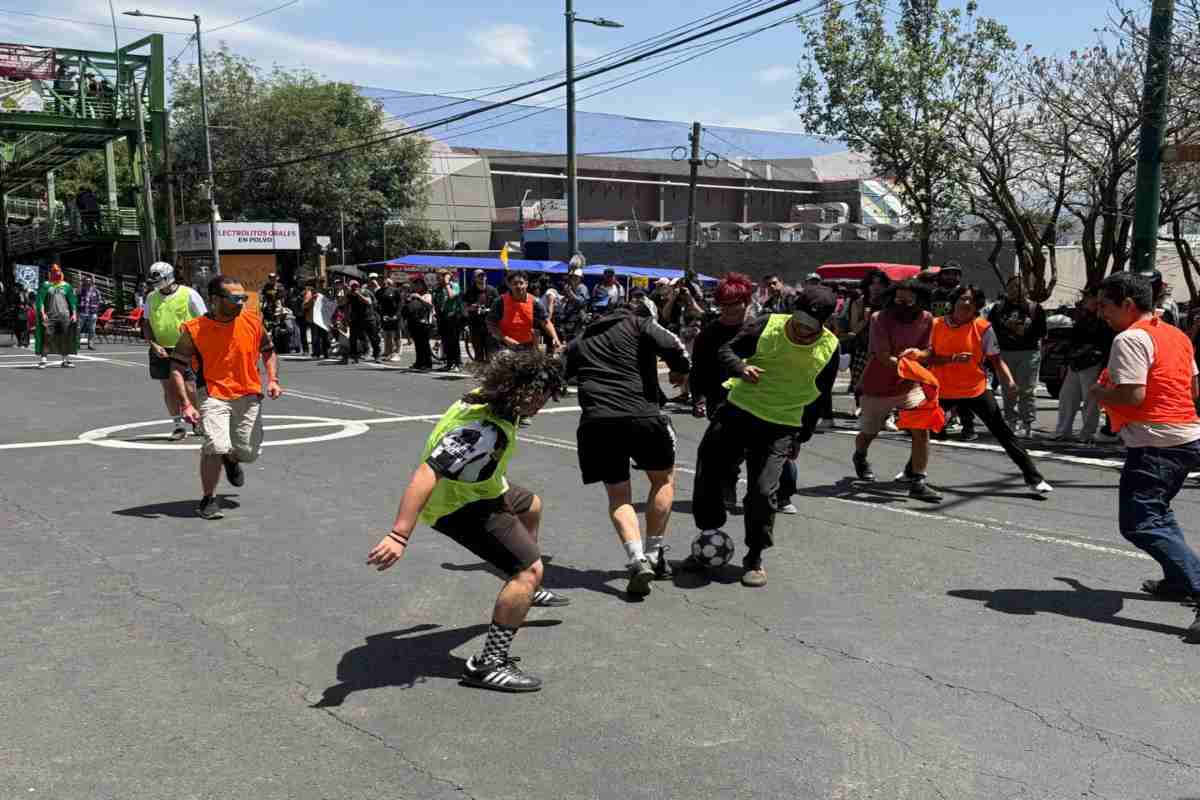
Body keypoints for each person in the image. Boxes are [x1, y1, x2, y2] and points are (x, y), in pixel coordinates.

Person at [365, 349, 570, 691]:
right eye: (541, 396)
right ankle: (488, 664)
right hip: (458, 505)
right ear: (519, 391)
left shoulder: (489, 398)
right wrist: (399, 535)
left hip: (486, 489)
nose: (543, 404)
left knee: (532, 505)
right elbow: (427, 474)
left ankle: (522, 589)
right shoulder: (482, 430)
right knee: (529, 571)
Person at [689, 287, 841, 587]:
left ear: (822, 325)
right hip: (738, 411)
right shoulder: (767, 324)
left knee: (762, 491)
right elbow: (726, 350)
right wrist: (741, 367)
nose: (800, 329)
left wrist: (801, 436)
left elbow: (819, 397)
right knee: (709, 468)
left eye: (809, 327)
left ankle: (755, 556)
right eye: (797, 321)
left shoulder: (830, 348)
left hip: (780, 425)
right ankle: (709, 532)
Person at [1089, 272, 1200, 642]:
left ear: (1128, 305)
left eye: (1105, 304)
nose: (1099, 311)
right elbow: (1193, 387)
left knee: (1141, 522)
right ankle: (1176, 580)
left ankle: (1196, 585)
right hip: (1184, 438)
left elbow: (1132, 396)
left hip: (1156, 444)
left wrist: (1099, 392)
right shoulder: (1175, 334)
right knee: (1158, 513)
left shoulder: (1131, 338)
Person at [564, 286, 691, 597]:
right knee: (663, 480)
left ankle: (636, 558)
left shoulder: (581, 340)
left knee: (619, 496)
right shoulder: (639, 323)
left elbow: (558, 375)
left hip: (597, 422)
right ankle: (654, 553)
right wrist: (680, 372)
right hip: (643, 416)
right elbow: (676, 347)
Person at [173, 276, 282, 521]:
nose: (241, 303)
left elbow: (269, 351)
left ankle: (232, 459)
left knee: (249, 452)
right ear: (214, 300)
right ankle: (208, 499)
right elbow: (177, 367)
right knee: (215, 446)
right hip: (212, 394)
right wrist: (186, 403)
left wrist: (273, 379)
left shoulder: (253, 322)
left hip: (248, 393)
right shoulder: (194, 329)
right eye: (234, 299)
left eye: (243, 298)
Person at [925, 285, 1053, 495]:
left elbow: (996, 360)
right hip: (943, 390)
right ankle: (912, 471)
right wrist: (950, 359)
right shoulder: (936, 325)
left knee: (1004, 434)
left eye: (972, 300)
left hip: (975, 389)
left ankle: (1034, 478)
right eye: (963, 299)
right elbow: (927, 357)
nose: (967, 303)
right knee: (926, 432)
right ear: (954, 301)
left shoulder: (983, 327)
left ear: (977, 305)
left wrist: (1009, 382)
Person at [852, 279, 942, 502]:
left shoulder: (928, 319)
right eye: (898, 300)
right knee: (869, 432)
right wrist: (911, 367)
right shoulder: (878, 318)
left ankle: (918, 480)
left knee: (921, 430)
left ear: (919, 300)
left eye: (909, 301)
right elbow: (882, 356)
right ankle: (860, 456)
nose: (903, 305)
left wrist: (918, 355)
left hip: (910, 386)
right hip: (877, 386)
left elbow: (928, 351)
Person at [142, 261, 207, 441]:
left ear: (169, 277)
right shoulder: (151, 297)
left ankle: (197, 420)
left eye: (158, 279)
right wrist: (153, 344)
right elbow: (146, 323)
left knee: (190, 388)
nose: (155, 284)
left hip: (186, 348)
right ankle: (178, 425)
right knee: (169, 389)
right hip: (160, 349)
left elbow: (204, 320)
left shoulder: (189, 294)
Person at [988, 276, 1047, 438]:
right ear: (1007, 289)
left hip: (1029, 353)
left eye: (1020, 287)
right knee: (1008, 389)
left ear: (1027, 289)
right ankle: (1011, 421)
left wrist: (1023, 330)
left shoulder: (1034, 308)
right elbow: (990, 330)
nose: (1016, 290)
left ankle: (1027, 423)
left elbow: (1041, 332)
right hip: (1005, 353)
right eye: (1012, 287)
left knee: (1027, 390)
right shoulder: (998, 308)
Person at [1054, 287, 1114, 443]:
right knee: (1067, 397)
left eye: (1088, 297)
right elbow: (1073, 339)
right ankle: (1063, 431)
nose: (1084, 300)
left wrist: (1104, 367)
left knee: (1091, 401)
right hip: (1076, 362)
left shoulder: (1105, 318)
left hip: (1093, 362)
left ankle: (1087, 434)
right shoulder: (1082, 315)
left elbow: (1106, 343)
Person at [844, 269, 892, 416]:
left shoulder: (889, 302)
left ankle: (886, 414)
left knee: (884, 382)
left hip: (884, 348)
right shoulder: (859, 302)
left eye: (880, 284)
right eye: (873, 284)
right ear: (867, 285)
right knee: (861, 380)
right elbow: (854, 328)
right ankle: (860, 405)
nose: (876, 287)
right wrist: (866, 319)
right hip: (864, 347)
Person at [487, 271, 561, 353]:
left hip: (527, 346)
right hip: (504, 346)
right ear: (509, 285)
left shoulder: (535, 302)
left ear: (526, 284)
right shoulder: (500, 302)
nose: (518, 286)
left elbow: (546, 322)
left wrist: (555, 338)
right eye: (515, 283)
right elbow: (491, 324)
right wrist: (505, 338)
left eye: (521, 283)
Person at [34, 264, 78, 369]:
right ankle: (43, 360)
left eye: (57, 271)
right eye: (54, 271)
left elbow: (72, 301)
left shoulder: (66, 286)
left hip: (64, 316)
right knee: (47, 337)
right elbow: (40, 301)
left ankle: (65, 360)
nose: (56, 273)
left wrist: (74, 314)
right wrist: (43, 313)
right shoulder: (46, 285)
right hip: (50, 316)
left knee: (64, 338)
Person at [464, 269, 499, 363]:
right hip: (475, 325)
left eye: (483, 276)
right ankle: (479, 373)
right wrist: (471, 308)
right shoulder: (470, 291)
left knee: (491, 352)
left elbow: (498, 308)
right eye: (479, 276)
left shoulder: (492, 290)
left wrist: (488, 310)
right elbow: (465, 308)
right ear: (475, 278)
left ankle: (490, 374)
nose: (482, 278)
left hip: (490, 326)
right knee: (478, 351)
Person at [403, 275, 436, 370]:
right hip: (414, 322)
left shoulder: (427, 294)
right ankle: (419, 362)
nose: (417, 286)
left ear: (423, 285)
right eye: (416, 284)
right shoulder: (413, 294)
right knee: (418, 344)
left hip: (425, 323)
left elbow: (430, 306)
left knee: (424, 344)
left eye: (419, 284)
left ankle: (427, 363)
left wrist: (419, 298)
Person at [434, 270, 465, 370]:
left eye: (439, 277)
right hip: (442, 317)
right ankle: (449, 363)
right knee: (445, 341)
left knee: (454, 341)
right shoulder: (438, 288)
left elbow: (451, 296)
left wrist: (447, 283)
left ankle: (458, 363)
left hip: (453, 316)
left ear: (446, 277)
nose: (437, 279)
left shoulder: (454, 285)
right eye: (437, 277)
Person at [345, 280, 382, 364]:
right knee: (353, 338)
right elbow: (346, 306)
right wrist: (346, 318)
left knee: (373, 338)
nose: (354, 287)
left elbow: (368, 302)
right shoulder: (349, 294)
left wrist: (358, 294)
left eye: (356, 285)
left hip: (368, 318)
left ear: (359, 285)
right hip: (355, 319)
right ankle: (354, 356)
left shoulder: (365, 292)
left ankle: (377, 356)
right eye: (352, 286)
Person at [376, 277, 404, 362]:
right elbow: (377, 305)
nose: (382, 282)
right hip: (385, 316)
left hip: (395, 316)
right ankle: (388, 353)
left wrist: (397, 315)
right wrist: (382, 315)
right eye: (380, 281)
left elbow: (400, 303)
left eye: (383, 280)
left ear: (387, 281)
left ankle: (397, 354)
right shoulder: (378, 292)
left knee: (396, 335)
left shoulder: (395, 290)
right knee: (387, 335)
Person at [303, 283, 331, 361]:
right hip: (314, 319)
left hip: (323, 318)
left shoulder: (325, 292)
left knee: (325, 336)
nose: (321, 284)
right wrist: (312, 299)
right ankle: (316, 353)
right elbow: (305, 305)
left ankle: (326, 353)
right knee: (315, 336)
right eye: (320, 282)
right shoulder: (309, 294)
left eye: (323, 282)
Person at [78, 275, 102, 351]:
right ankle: (76, 344)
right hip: (82, 312)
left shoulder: (96, 291)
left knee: (92, 330)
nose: (88, 282)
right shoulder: (80, 290)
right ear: (84, 282)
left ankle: (91, 345)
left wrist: (96, 309)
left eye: (89, 281)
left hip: (92, 313)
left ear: (91, 282)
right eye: (86, 281)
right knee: (78, 329)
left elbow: (100, 301)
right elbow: (74, 300)